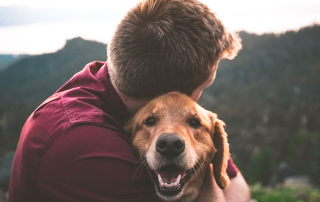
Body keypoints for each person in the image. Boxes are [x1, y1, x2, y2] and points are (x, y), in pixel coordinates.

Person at [8, 0, 250, 201]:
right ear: (172, 94)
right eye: (204, 87)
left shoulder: (115, 80)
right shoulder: (83, 144)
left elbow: (235, 182)